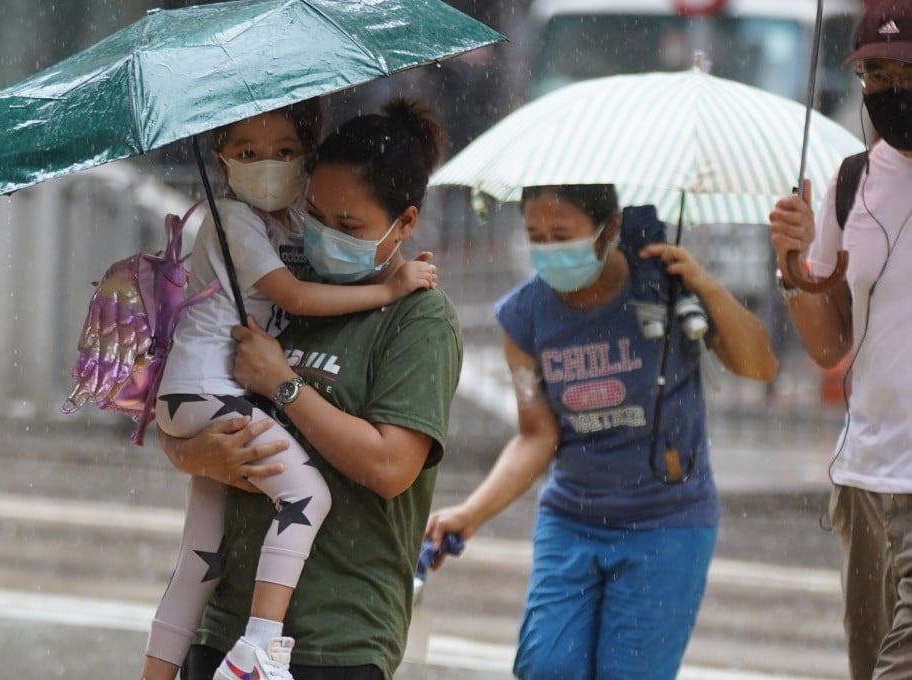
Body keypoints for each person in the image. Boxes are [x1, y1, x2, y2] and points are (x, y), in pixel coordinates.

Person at [156, 96, 463, 680]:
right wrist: (190, 454)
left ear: (405, 224)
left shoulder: (418, 320)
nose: (324, 235)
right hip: (224, 630)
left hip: (335, 641)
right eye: (316, 214)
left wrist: (284, 384)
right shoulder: (283, 281)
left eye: (348, 226)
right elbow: (201, 406)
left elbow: (390, 466)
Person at [424, 184, 777, 680]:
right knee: (547, 666)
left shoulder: (665, 287)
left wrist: (704, 283)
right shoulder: (525, 315)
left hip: (667, 524)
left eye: (561, 233)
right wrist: (471, 511)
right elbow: (535, 434)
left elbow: (759, 365)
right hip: (572, 519)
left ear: (609, 228)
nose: (547, 247)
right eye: (535, 235)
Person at [768, 3, 912, 678]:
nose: (891, 91)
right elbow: (830, 348)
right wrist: (794, 274)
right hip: (864, 482)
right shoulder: (852, 182)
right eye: (877, 74)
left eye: (907, 70)